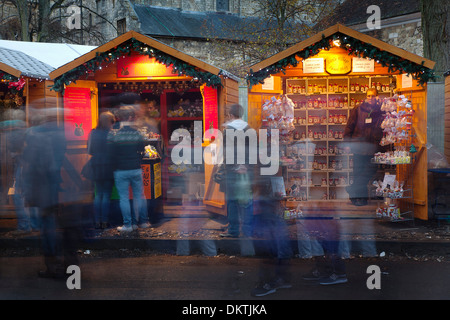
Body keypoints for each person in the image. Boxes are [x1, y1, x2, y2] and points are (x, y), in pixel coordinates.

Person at [22, 108, 68, 278]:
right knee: (52, 224)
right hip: (53, 186)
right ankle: (60, 263)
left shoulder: (37, 138)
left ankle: (53, 266)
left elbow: (31, 164)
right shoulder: (59, 134)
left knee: (47, 226)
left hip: (43, 188)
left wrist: (28, 188)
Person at [107, 105, 150, 233]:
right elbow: (143, 150)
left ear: (119, 118)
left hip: (120, 170)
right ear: (131, 117)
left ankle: (128, 225)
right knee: (140, 196)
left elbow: (110, 153)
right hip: (135, 168)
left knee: (124, 198)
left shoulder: (114, 134)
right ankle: (142, 222)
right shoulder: (137, 133)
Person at [344, 88, 385, 206]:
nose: (370, 98)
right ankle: (359, 199)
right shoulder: (358, 109)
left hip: (373, 147)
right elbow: (349, 126)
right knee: (358, 172)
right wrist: (347, 142)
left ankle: (352, 191)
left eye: (373, 96)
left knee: (369, 171)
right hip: (358, 146)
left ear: (377, 97)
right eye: (368, 96)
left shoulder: (380, 109)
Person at [220, 104, 254, 238]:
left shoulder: (228, 130)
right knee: (247, 201)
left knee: (232, 201)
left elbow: (226, 152)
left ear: (231, 115)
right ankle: (247, 231)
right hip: (246, 172)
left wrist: (232, 167)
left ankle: (233, 230)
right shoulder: (249, 129)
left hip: (232, 172)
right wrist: (246, 166)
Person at [87, 111, 115, 229]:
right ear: (109, 122)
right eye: (112, 121)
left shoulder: (92, 133)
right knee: (106, 195)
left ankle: (97, 221)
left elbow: (89, 150)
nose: (113, 124)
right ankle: (104, 221)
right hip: (108, 164)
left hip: (96, 164)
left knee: (98, 195)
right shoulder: (111, 134)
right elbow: (115, 150)